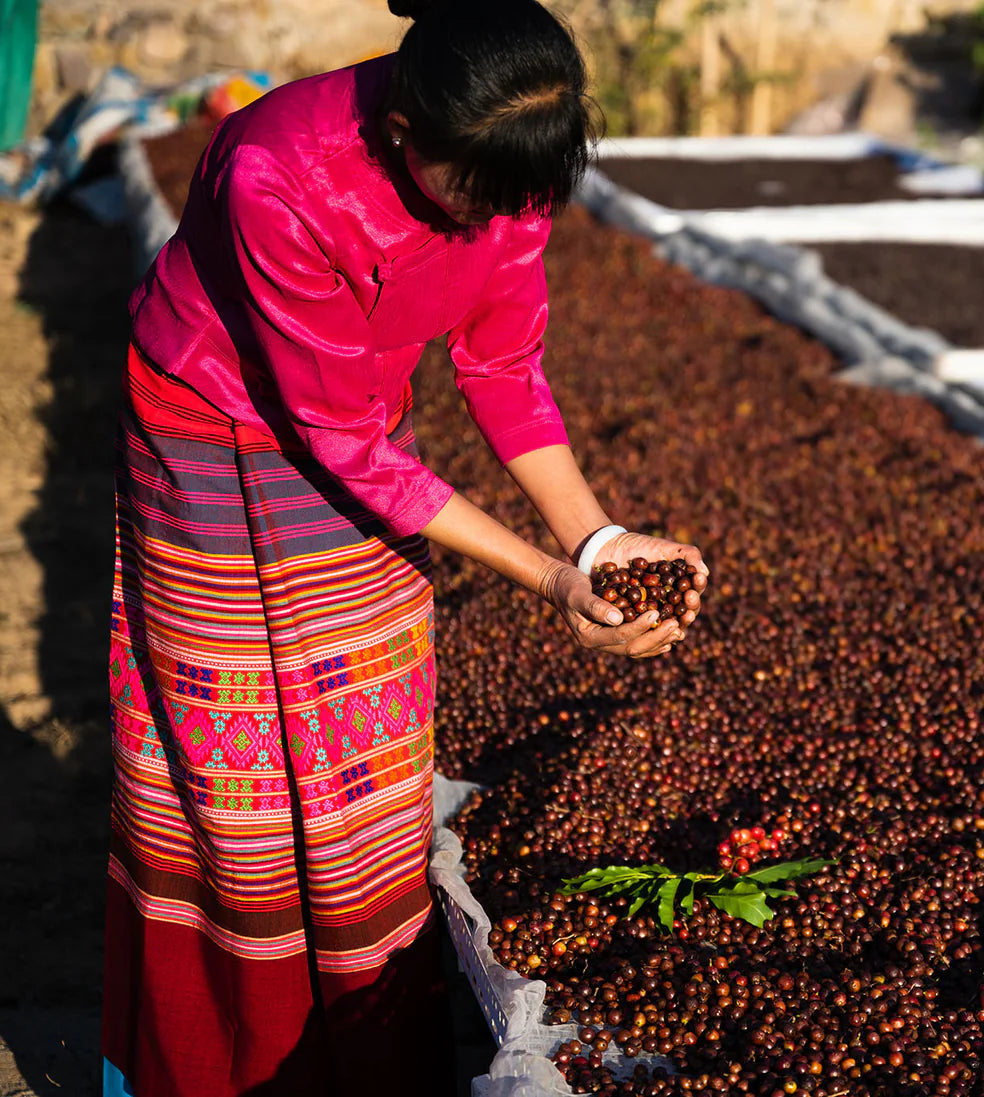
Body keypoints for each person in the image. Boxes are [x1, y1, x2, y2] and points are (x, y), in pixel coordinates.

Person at [101, 1, 707, 1093]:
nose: (497, 219)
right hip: (211, 431)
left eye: (520, 196)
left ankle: (366, 1044)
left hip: (361, 423)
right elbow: (328, 433)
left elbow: (503, 368)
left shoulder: (502, 166)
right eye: (473, 192)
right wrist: (548, 578)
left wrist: (599, 536)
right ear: (398, 136)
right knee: (237, 763)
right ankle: (230, 1058)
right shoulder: (278, 177)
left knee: (362, 747)